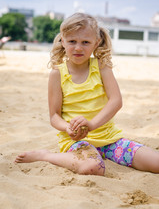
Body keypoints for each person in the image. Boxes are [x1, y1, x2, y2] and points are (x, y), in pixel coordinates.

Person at [15, 13, 159, 176]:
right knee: (92, 168)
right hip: (77, 141)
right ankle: (46, 155)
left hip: (110, 140)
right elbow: (54, 116)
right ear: (63, 41)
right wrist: (68, 128)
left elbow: (116, 100)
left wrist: (92, 124)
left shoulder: (101, 66)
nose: (78, 48)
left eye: (85, 42)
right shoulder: (57, 74)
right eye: (72, 41)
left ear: (96, 43)